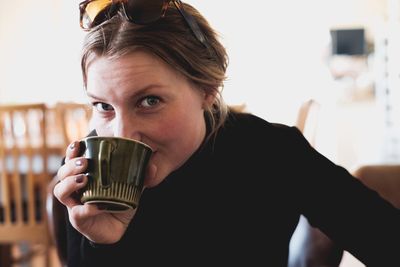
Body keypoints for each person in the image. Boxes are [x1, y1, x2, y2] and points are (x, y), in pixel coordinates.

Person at [54, 0, 400, 266]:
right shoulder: (89, 178)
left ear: (208, 89)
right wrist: (102, 244)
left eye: (149, 100)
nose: (123, 134)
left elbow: (382, 237)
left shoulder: (270, 152)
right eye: (103, 106)